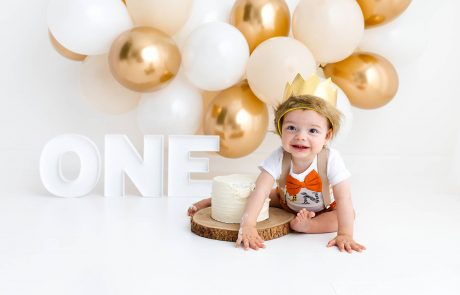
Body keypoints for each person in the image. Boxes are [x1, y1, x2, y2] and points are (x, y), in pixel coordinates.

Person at [188, 90, 365, 253]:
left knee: (346, 215)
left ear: (327, 136)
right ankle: (214, 200)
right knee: (251, 195)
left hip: (324, 208)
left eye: (312, 130)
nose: (300, 136)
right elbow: (261, 189)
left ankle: (308, 226)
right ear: (281, 130)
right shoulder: (279, 157)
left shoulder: (331, 159)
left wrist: (345, 234)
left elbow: (344, 198)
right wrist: (248, 224)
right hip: (286, 200)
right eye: (291, 128)